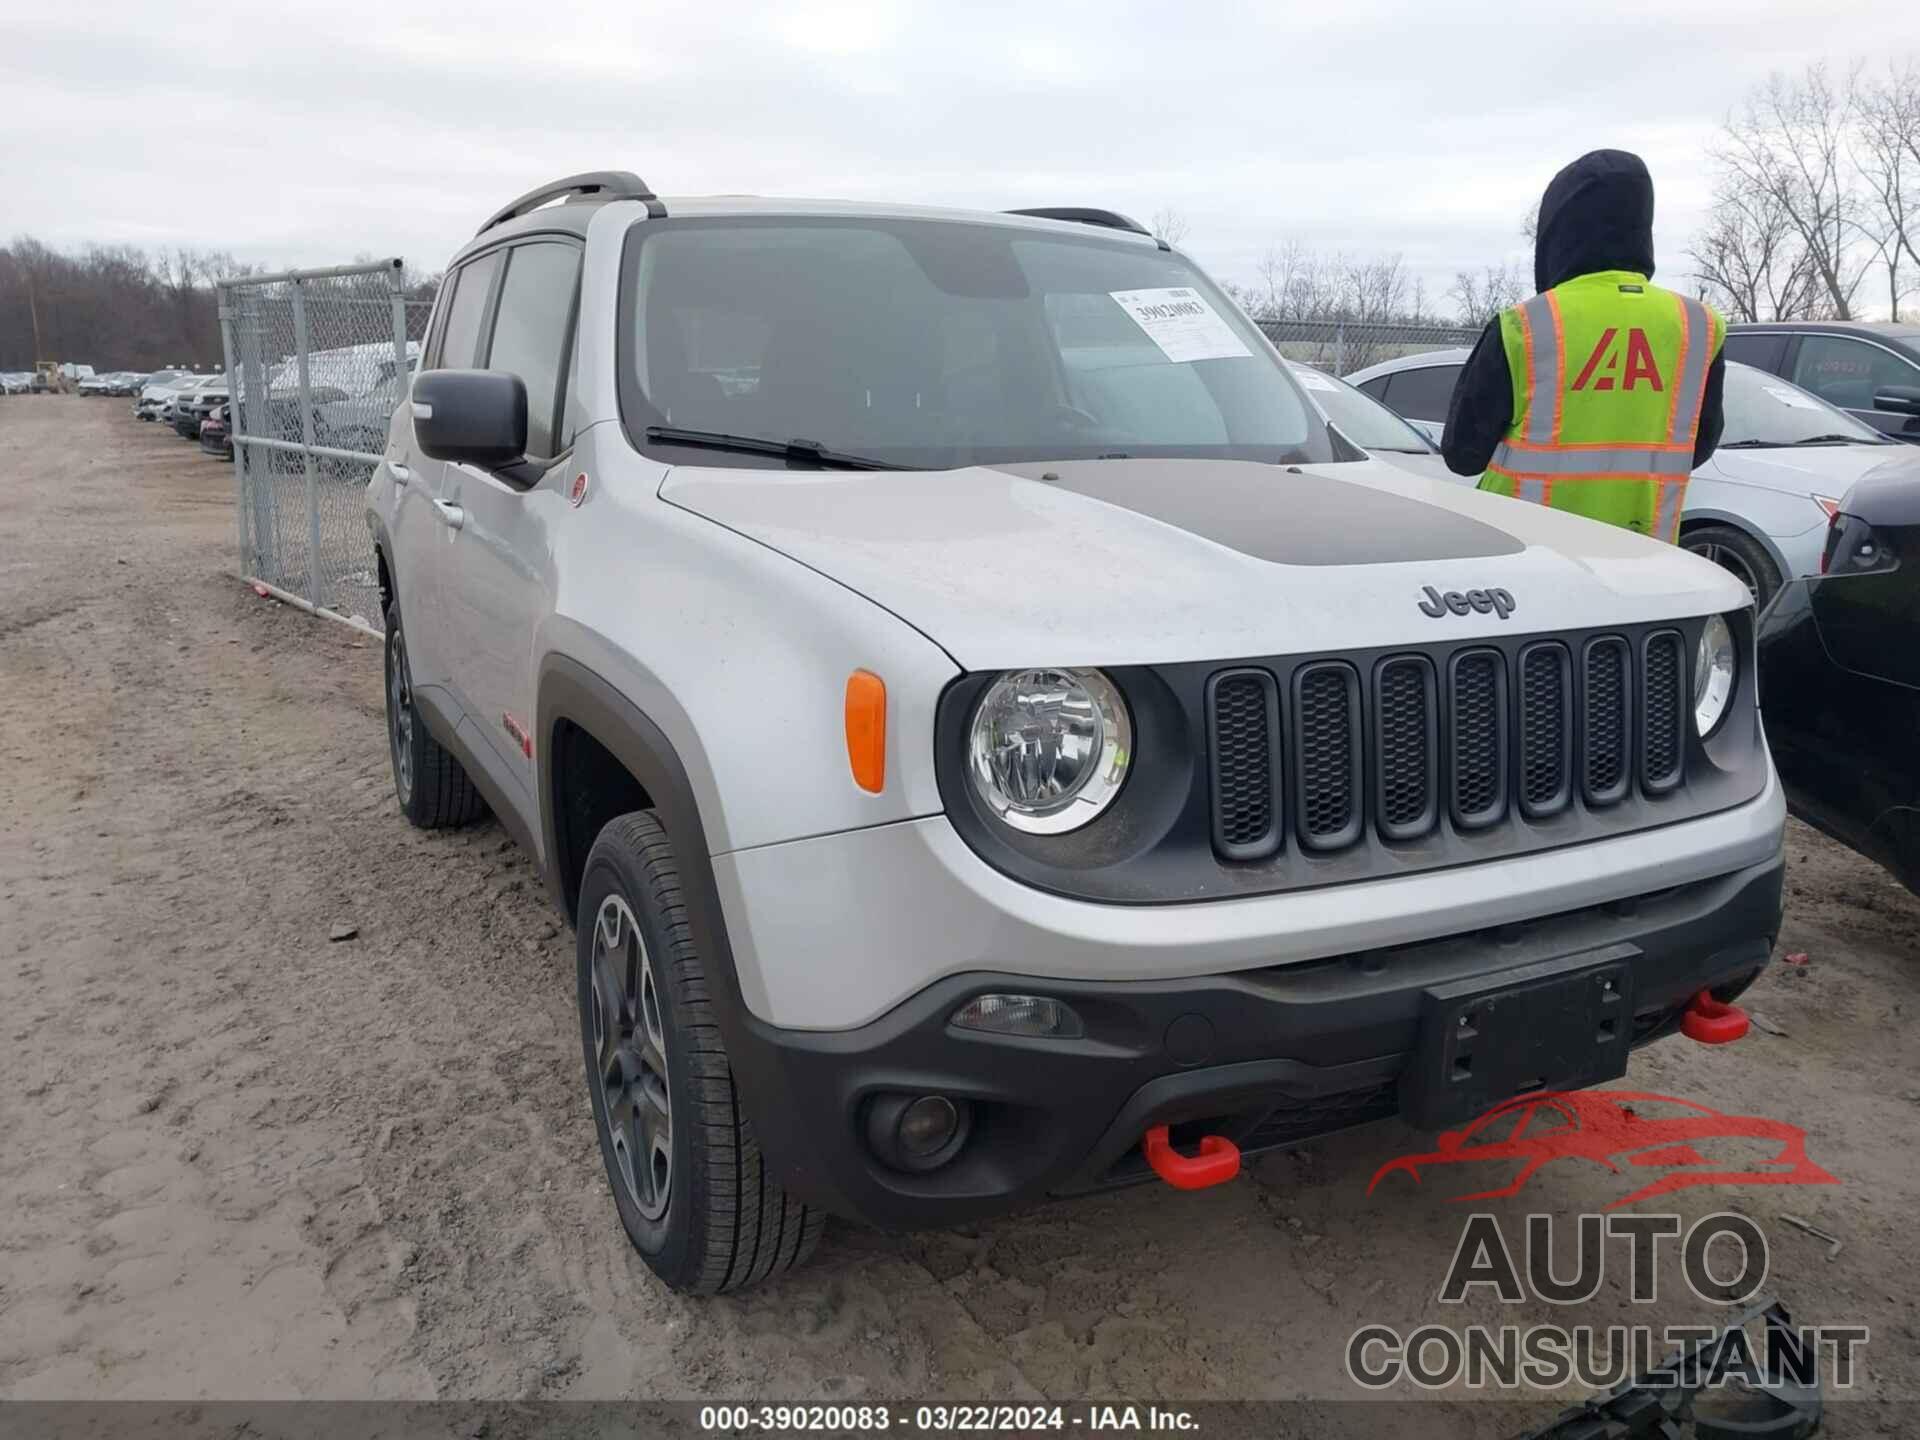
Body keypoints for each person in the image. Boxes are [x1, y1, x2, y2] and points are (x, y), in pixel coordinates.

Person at [1442, 149, 1725, 542]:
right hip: (1644, 552)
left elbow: (1462, 455)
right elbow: (1701, 443)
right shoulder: (1699, 326)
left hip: (1526, 551)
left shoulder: (1526, 325)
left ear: (1557, 231)